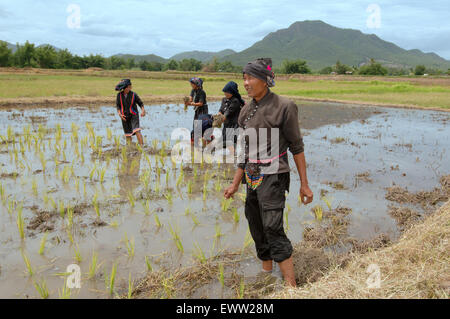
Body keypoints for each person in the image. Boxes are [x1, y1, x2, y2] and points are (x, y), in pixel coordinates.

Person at [223, 58, 314, 287]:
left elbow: (297, 147)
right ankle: (267, 274)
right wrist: (235, 184)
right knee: (256, 224)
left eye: (250, 77)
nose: (246, 83)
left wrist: (304, 184)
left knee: (272, 226)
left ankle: (291, 286)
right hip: (252, 177)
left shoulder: (284, 106)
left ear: (265, 80)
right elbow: (244, 152)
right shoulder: (246, 110)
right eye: (244, 78)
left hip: (274, 174)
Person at [115, 79, 146, 145]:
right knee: (128, 134)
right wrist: (120, 114)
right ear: (124, 88)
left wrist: (143, 111)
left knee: (137, 130)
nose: (128, 89)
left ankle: (142, 147)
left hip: (134, 115)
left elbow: (140, 103)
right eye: (126, 87)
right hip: (124, 116)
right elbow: (118, 106)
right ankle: (129, 148)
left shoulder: (134, 95)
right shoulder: (119, 95)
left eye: (129, 87)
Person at [218, 81, 245, 154]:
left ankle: (233, 159)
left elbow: (229, 111)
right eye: (225, 92)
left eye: (227, 92)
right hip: (226, 124)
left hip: (234, 124)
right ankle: (230, 158)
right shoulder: (224, 99)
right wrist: (218, 115)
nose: (225, 93)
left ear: (232, 92)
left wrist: (223, 117)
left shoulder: (236, 101)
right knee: (224, 141)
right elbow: (221, 109)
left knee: (230, 141)